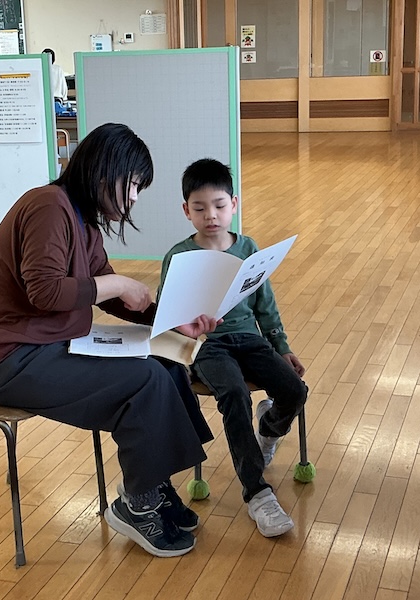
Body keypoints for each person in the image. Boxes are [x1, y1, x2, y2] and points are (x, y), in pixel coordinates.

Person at [0, 123, 217, 558]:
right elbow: (46, 292)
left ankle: (153, 484)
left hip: (50, 347)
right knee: (145, 382)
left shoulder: (82, 221)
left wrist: (172, 322)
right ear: (104, 173)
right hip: (10, 360)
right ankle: (138, 503)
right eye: (133, 184)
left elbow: (110, 294)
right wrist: (118, 284)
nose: (135, 197)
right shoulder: (48, 206)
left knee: (166, 365)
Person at [158, 158, 308, 538]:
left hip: (250, 340)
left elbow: (265, 306)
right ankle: (257, 492)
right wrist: (186, 338)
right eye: (199, 208)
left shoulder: (248, 247)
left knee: (294, 389)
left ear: (234, 204)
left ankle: (268, 430)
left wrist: (282, 346)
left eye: (219, 205)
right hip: (208, 346)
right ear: (186, 210)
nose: (211, 215)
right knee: (234, 394)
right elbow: (166, 314)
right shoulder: (178, 256)